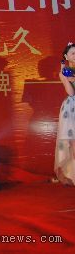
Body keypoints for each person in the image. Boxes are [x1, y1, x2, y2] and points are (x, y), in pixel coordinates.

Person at [54, 42, 75, 185]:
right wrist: (65, 77)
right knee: (72, 143)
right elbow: (71, 92)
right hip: (72, 108)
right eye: (73, 53)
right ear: (66, 57)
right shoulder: (65, 72)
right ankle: (72, 175)